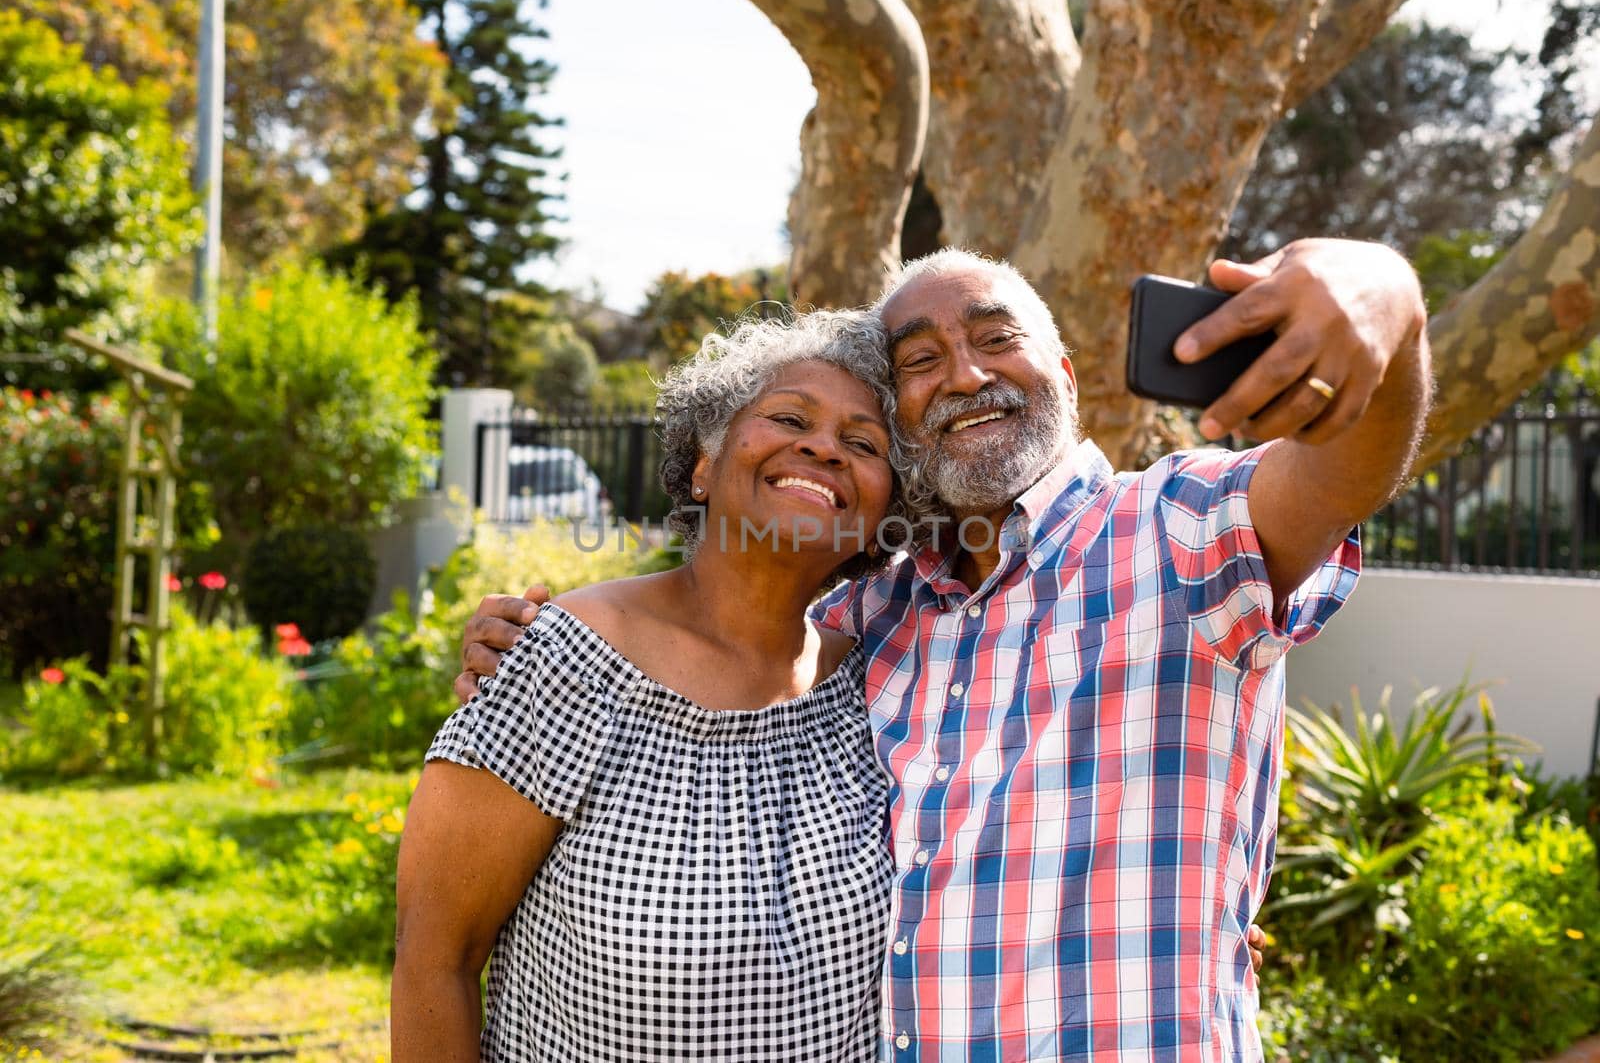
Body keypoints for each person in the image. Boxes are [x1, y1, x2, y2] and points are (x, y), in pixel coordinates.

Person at [458, 238, 1430, 1060]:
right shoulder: (865, 617)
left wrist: (1387, 295)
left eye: (995, 339)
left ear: (1064, 376)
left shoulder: (1180, 530)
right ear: (901, 423)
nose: (963, 374)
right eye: (919, 360)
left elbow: (1344, 468)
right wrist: (527, 647)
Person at [393, 309, 927, 1061]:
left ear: (880, 522)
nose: (822, 448)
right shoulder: (562, 662)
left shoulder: (879, 685)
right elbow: (434, 959)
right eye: (787, 416)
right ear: (703, 465)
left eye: (863, 443)